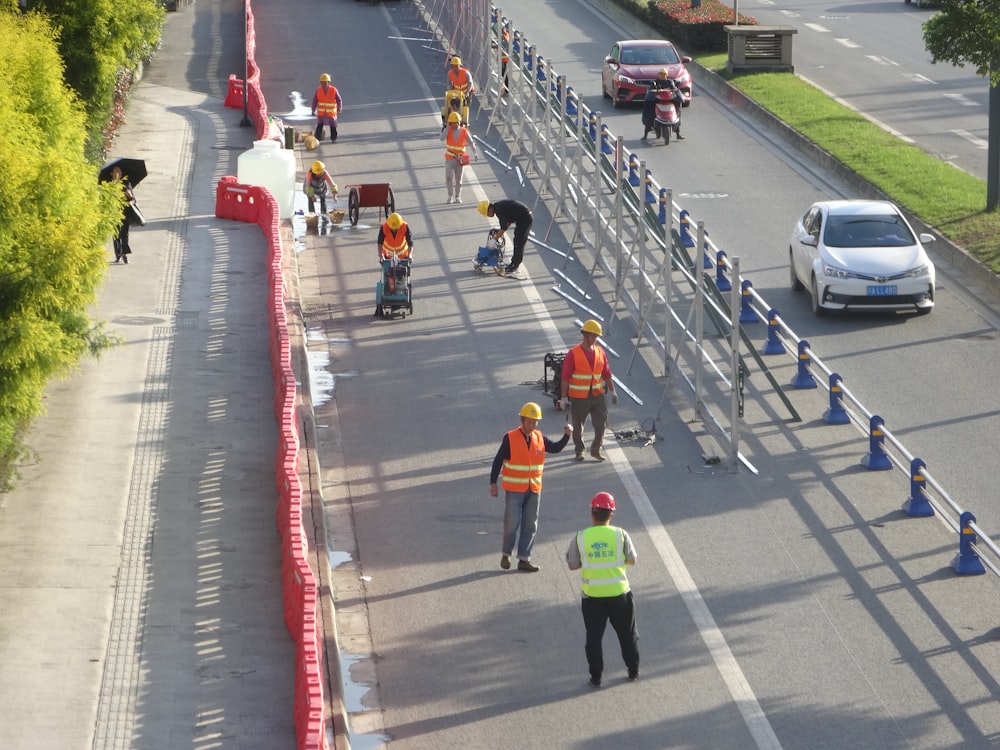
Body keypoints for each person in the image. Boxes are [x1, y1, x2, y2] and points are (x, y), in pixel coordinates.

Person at [566, 491, 639, 688]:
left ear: (592, 513)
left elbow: (572, 565)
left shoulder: (581, 537)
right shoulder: (621, 534)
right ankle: (633, 670)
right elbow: (632, 560)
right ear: (611, 515)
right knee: (627, 635)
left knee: (594, 638)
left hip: (592, 598)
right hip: (620, 595)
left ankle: (596, 677)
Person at [489, 402, 571, 572]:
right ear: (522, 420)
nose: (531, 425)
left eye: (534, 422)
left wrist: (567, 436)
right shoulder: (510, 438)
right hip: (515, 489)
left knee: (530, 524)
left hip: (534, 489)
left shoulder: (539, 437)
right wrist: (493, 483)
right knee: (512, 523)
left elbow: (555, 448)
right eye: (528, 422)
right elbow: (498, 461)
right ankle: (506, 553)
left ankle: (524, 559)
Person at [561, 319, 617, 461]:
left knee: (601, 424)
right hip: (579, 397)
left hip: (597, 396)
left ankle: (595, 449)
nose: (594, 339)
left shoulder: (600, 352)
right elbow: (565, 377)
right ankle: (580, 450)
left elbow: (607, 373)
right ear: (585, 335)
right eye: (592, 336)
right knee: (577, 426)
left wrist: (612, 391)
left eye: (596, 336)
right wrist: (563, 398)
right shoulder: (573, 354)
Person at [477, 199, 533, 275]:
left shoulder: (499, 210)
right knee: (517, 239)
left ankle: (514, 266)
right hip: (523, 217)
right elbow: (508, 221)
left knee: (519, 242)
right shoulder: (499, 206)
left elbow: (504, 227)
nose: (488, 216)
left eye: (487, 214)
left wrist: (494, 239)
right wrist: (499, 233)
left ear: (489, 209)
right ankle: (514, 263)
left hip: (525, 218)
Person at [439, 111, 479, 204]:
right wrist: (446, 129)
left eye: (455, 123)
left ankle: (457, 196)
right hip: (450, 158)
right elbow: (441, 138)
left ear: (458, 122)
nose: (454, 125)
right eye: (451, 123)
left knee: (458, 180)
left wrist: (475, 152)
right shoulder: (448, 130)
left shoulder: (464, 131)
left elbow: (471, 142)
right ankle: (450, 196)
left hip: (460, 159)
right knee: (448, 177)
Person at [642, 68, 684, 141]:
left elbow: (673, 88)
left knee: (677, 112)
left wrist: (673, 92)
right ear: (658, 75)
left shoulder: (670, 82)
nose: (662, 76)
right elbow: (651, 89)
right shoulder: (655, 82)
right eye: (661, 74)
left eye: (664, 74)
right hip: (657, 101)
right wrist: (655, 91)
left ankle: (678, 133)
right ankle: (645, 134)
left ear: (666, 75)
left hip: (669, 100)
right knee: (649, 113)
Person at [110, 165, 135, 264]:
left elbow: (131, 198)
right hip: (113, 212)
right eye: (116, 172)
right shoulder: (108, 185)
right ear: (111, 174)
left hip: (125, 212)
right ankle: (118, 254)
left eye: (119, 172)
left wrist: (129, 195)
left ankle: (124, 254)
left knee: (124, 234)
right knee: (115, 234)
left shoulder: (126, 183)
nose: (118, 174)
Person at [311, 73, 343, 143]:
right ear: (321, 83)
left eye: (325, 82)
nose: (324, 84)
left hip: (331, 113)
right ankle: (317, 139)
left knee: (333, 126)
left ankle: (333, 138)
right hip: (321, 113)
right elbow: (315, 100)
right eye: (322, 82)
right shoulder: (318, 90)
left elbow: (339, 99)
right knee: (319, 126)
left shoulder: (334, 90)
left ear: (328, 82)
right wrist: (313, 109)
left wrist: (339, 109)